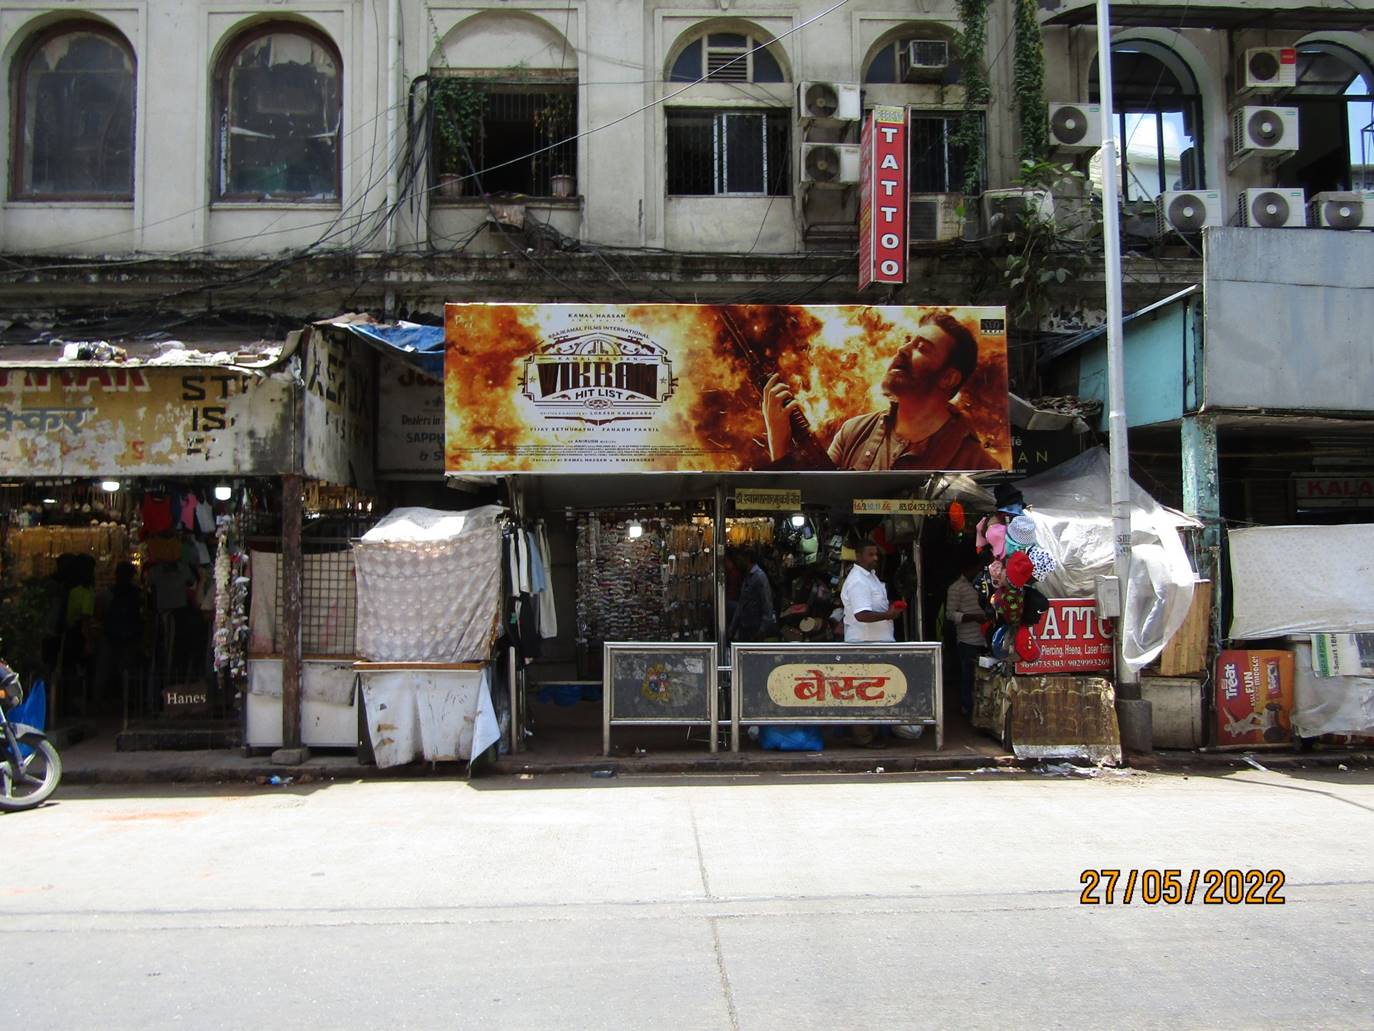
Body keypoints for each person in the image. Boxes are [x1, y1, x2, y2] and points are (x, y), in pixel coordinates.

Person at [761, 310, 999, 471]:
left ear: (948, 378)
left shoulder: (977, 463)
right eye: (907, 341)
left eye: (922, 348)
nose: (902, 350)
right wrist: (779, 440)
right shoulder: (854, 432)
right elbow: (821, 509)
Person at [945, 550, 989, 718]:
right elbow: (950, 614)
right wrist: (973, 618)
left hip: (985, 639)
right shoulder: (956, 588)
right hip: (968, 639)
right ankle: (967, 709)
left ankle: (981, 710)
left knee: (983, 678)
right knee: (968, 676)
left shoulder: (984, 583)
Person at [840, 542, 906, 643]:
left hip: (877, 643)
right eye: (870, 555)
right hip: (865, 644)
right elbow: (861, 615)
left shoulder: (871, 576)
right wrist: (888, 615)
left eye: (876, 554)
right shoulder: (858, 580)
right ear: (858, 556)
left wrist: (891, 607)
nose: (875, 558)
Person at [728, 548, 776, 643]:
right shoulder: (748, 576)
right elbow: (741, 604)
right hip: (745, 628)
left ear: (747, 559)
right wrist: (732, 628)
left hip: (755, 629)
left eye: (740, 559)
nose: (738, 562)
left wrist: (762, 630)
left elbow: (767, 604)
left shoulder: (759, 577)